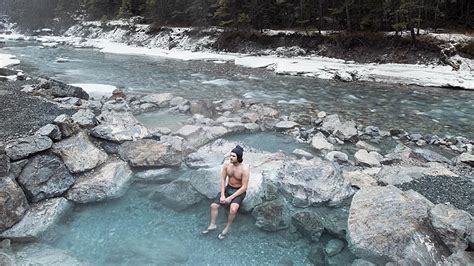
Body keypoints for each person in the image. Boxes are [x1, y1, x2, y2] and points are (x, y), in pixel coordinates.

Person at [201, 145, 249, 240]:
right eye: (230, 155)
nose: (231, 157)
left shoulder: (245, 169)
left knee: (233, 208)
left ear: (239, 157)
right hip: (228, 189)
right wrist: (223, 195)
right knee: (213, 206)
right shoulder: (227, 165)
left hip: (239, 191)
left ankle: (227, 227)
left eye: (233, 156)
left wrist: (230, 198)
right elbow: (223, 179)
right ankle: (212, 224)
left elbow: (244, 187)